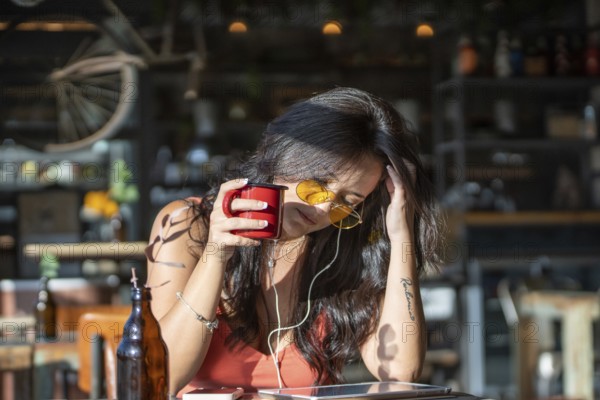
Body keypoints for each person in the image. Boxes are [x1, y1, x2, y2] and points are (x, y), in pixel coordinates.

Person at [145, 87, 443, 396]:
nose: (325, 207)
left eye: (347, 201)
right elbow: (163, 374)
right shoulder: (187, 224)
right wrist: (216, 255)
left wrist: (401, 235)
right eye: (318, 183)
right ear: (284, 154)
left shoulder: (341, 252)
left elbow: (400, 372)